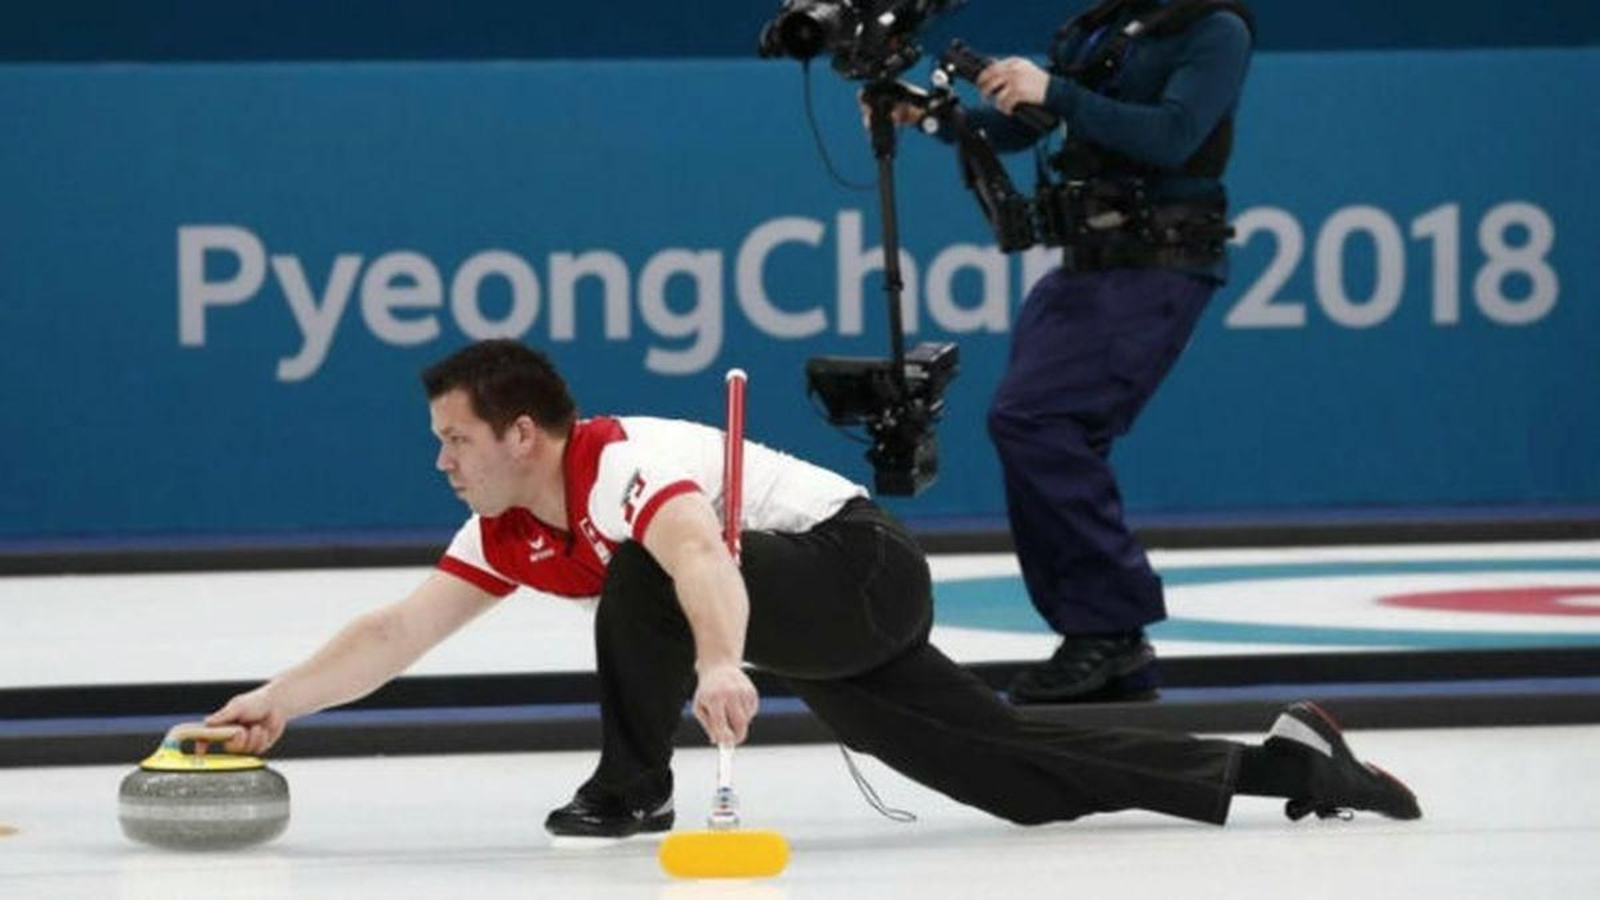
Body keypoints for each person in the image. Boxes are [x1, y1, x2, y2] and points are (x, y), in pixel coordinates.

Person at [207, 338, 1418, 838]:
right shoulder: (513, 526)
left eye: (454, 440)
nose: (441, 461)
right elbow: (396, 629)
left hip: (854, 568)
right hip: (785, 611)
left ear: (522, 433)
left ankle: (631, 791)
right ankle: (1281, 761)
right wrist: (275, 703)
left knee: (641, 574)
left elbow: (694, 559)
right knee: (998, 772)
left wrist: (725, 664)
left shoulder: (616, 466)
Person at [896, 0, 1257, 704]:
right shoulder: (1101, 26)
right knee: (1023, 422)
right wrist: (933, 116)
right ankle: (1101, 639)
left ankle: (1111, 631)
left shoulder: (1216, 29)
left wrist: (1053, 90)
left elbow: (1175, 136)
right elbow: (1025, 125)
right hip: (1086, 264)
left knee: (1041, 422)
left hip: (1157, 259)